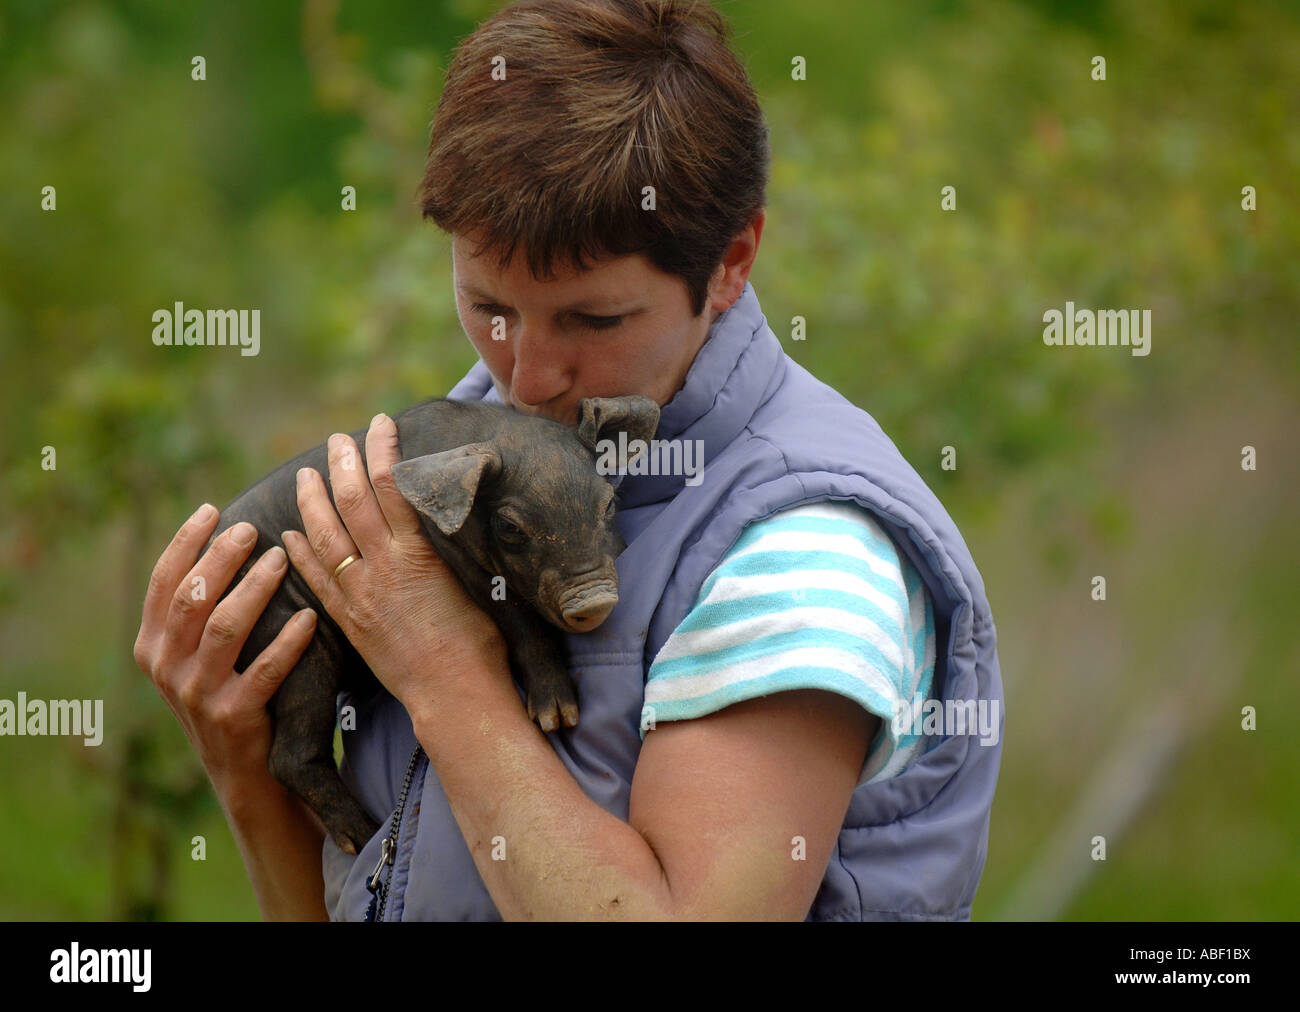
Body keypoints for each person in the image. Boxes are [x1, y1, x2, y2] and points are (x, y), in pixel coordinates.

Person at [133, 0, 1003, 921]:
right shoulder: (459, 462)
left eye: (594, 319)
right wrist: (247, 767)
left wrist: (441, 669)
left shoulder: (808, 556)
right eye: (488, 307)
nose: (528, 376)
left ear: (733, 260)